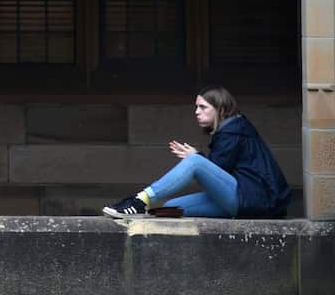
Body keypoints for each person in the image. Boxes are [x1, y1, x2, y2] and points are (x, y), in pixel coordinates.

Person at [103, 86, 290, 219]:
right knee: (170, 208)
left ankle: (140, 201)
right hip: (245, 200)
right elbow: (219, 175)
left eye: (203, 107)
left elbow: (217, 173)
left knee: (193, 162)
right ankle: (142, 207)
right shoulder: (231, 130)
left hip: (254, 200)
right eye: (196, 107)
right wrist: (198, 160)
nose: (196, 112)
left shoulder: (234, 132)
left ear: (221, 110)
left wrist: (196, 159)